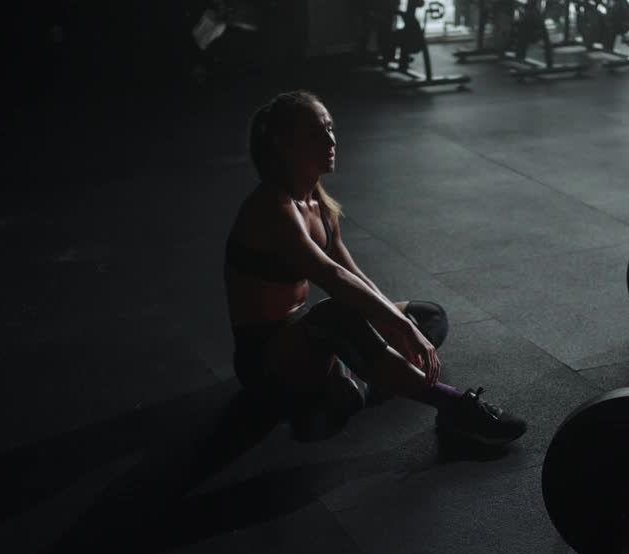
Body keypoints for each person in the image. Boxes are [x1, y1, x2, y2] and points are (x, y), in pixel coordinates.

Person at [223, 90, 527, 446]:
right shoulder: (273, 208)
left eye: (331, 128)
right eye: (316, 133)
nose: (331, 139)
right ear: (284, 146)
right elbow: (332, 278)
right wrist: (397, 328)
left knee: (429, 319)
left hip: (310, 344)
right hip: (268, 362)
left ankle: (353, 385)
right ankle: (454, 406)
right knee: (339, 315)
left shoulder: (317, 201)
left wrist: (397, 324)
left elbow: (352, 274)